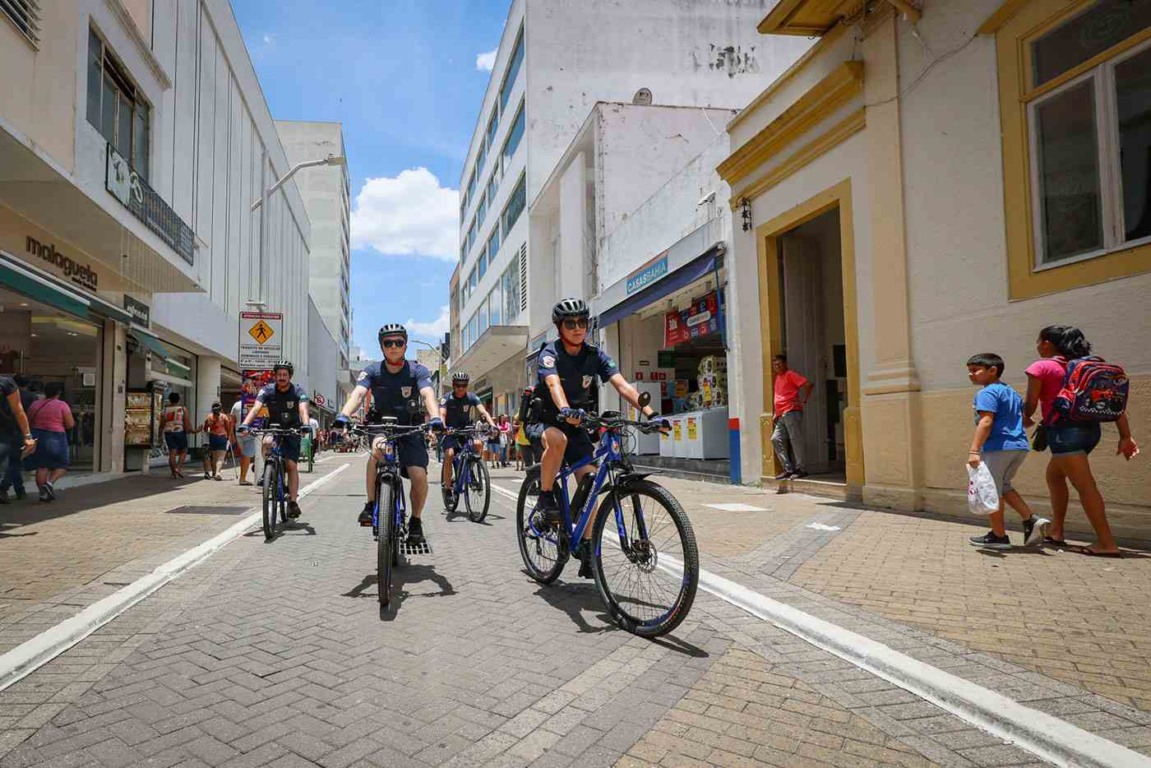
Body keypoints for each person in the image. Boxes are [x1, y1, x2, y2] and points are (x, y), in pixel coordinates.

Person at [528, 298, 669, 578]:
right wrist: (564, 409)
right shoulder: (550, 353)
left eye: (582, 322)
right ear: (560, 328)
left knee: (591, 482)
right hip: (545, 420)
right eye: (570, 323)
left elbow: (622, 384)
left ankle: (587, 545)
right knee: (558, 441)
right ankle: (545, 497)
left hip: (578, 423)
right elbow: (553, 384)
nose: (578, 328)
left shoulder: (596, 355)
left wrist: (651, 414)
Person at [1023, 326, 1139, 557]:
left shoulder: (1042, 367)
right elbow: (1114, 403)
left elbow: (1030, 404)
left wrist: (1025, 418)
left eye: (1038, 341)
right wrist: (1125, 436)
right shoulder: (1089, 367)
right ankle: (1056, 531)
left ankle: (1106, 543)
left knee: (1086, 486)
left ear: (1047, 343)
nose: (1037, 346)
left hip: (1064, 433)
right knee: (1054, 476)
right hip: (1090, 432)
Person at [334, 324, 442, 545]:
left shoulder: (418, 370)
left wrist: (435, 417)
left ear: (405, 345)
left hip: (410, 427)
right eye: (388, 343)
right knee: (377, 450)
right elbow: (358, 394)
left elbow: (428, 394)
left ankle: (416, 521)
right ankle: (371, 503)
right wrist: (344, 415)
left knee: (418, 475)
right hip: (380, 424)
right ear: (381, 346)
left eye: (398, 342)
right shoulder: (372, 371)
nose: (394, 347)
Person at [964, 353, 1049, 549]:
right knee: (1003, 487)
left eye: (975, 370)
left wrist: (974, 450)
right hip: (1018, 447)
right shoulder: (1010, 392)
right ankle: (1031, 520)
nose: (971, 374)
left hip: (998, 447)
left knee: (991, 491)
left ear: (993, 370)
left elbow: (986, 421)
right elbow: (1026, 420)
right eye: (969, 371)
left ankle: (999, 536)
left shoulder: (987, 393)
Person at [237, 361, 310, 519]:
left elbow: (303, 409)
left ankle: (293, 502)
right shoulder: (266, 390)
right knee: (266, 443)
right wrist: (244, 424)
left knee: (291, 465)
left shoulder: (298, 391)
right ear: (274, 376)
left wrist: (305, 425)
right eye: (279, 375)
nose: (282, 377)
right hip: (274, 427)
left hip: (292, 429)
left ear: (290, 376)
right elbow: (256, 408)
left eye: (285, 375)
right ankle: (268, 470)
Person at [439, 372, 496, 502]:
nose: (461, 388)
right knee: (449, 454)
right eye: (458, 385)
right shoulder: (447, 398)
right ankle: (447, 488)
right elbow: (442, 414)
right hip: (450, 431)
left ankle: (471, 468)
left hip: (465, 430)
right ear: (453, 385)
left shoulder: (471, 397)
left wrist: (493, 426)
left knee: (478, 444)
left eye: (464, 385)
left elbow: (483, 412)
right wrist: (443, 427)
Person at [24, 383, 75, 502]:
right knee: (63, 464)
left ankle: (43, 494)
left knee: (42, 466)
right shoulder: (62, 405)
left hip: (37, 435)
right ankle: (49, 483)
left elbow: (28, 421)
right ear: (58, 393)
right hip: (56, 435)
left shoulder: (35, 404)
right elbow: (70, 424)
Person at [770, 354, 814, 480]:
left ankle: (801, 468)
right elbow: (780, 396)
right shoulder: (778, 378)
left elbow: (808, 384)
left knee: (795, 440)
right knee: (775, 439)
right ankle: (788, 468)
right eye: (775, 365)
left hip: (791, 411)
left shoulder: (790, 374)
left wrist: (804, 400)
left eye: (779, 364)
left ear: (785, 364)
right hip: (781, 414)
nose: (777, 367)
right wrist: (776, 413)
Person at [0, 376, 36, 505]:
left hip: (9, 431)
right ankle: (8, 488)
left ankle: (16, 489)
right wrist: (28, 435)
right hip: (14, 431)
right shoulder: (30, 397)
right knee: (15, 462)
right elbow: (20, 412)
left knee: (13, 463)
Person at [161, 392, 192, 478]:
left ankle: (173, 473)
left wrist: (160, 433)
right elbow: (186, 421)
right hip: (179, 431)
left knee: (172, 453)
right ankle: (178, 468)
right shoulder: (182, 409)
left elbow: (162, 423)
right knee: (184, 450)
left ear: (170, 400)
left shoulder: (165, 410)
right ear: (178, 400)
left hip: (168, 432)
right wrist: (188, 430)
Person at [229, 397, 256, 486]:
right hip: (250, 432)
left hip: (239, 433)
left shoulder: (236, 405)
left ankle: (243, 477)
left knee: (244, 455)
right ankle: (242, 479)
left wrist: (231, 434)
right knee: (247, 456)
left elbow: (232, 421)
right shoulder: (256, 403)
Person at [200, 402, 231, 480]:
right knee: (220, 457)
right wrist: (228, 436)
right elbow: (228, 428)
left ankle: (214, 473)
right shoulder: (224, 416)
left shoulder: (209, 417)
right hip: (222, 437)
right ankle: (217, 473)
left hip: (213, 437)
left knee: (214, 457)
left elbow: (205, 429)